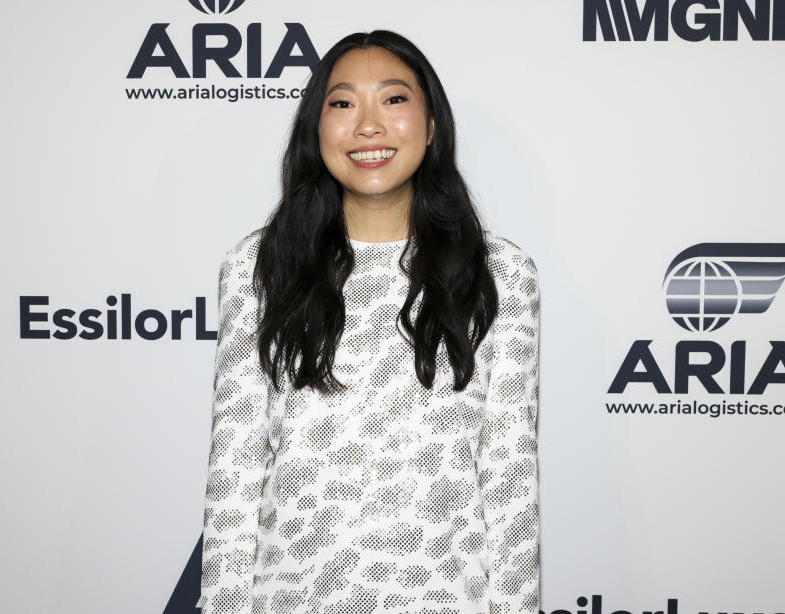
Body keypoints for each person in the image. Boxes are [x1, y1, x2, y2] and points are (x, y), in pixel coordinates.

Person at [197, 30, 540, 614]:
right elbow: (237, 470)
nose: (369, 126)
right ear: (317, 130)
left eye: (394, 100)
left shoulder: (500, 274)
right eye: (343, 103)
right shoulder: (260, 268)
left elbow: (510, 479)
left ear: (432, 127)